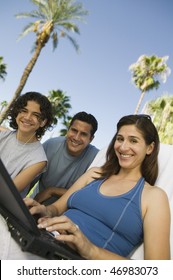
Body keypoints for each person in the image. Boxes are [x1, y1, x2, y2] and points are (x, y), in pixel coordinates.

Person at [0, 114, 170, 260]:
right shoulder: (95, 174)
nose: (123, 147)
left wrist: (90, 250)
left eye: (133, 140)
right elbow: (57, 207)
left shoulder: (154, 196)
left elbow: (157, 270)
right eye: (120, 139)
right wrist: (44, 211)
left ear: (150, 147)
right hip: (48, 240)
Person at [30, 111, 99, 204]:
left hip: (67, 212)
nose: (76, 137)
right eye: (74, 130)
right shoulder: (51, 145)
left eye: (83, 134)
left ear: (91, 139)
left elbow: (88, 196)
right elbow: (30, 180)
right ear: (68, 130)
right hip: (36, 201)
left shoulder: (96, 158)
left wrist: (52, 191)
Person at [0, 91, 54, 197]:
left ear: (43, 122)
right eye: (24, 111)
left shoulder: (39, 160)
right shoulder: (3, 135)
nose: (28, 117)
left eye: (35, 115)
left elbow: (8, 192)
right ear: (17, 113)